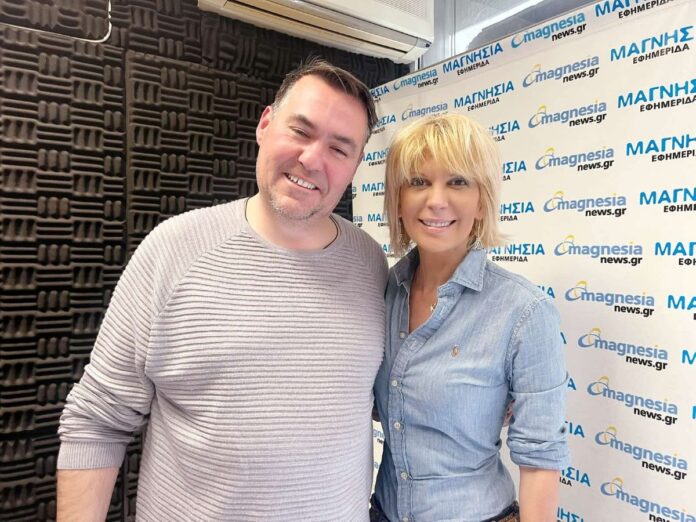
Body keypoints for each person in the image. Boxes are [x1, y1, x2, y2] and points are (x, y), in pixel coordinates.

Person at [56, 58, 388, 521]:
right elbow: (98, 420)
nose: (313, 159)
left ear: (356, 165)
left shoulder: (371, 263)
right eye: (300, 131)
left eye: (339, 148)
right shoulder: (173, 249)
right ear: (265, 124)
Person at [371, 114, 570, 522]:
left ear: (482, 201)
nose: (436, 200)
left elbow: (540, 460)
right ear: (398, 200)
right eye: (418, 181)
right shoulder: (384, 291)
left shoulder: (524, 311)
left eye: (458, 182)